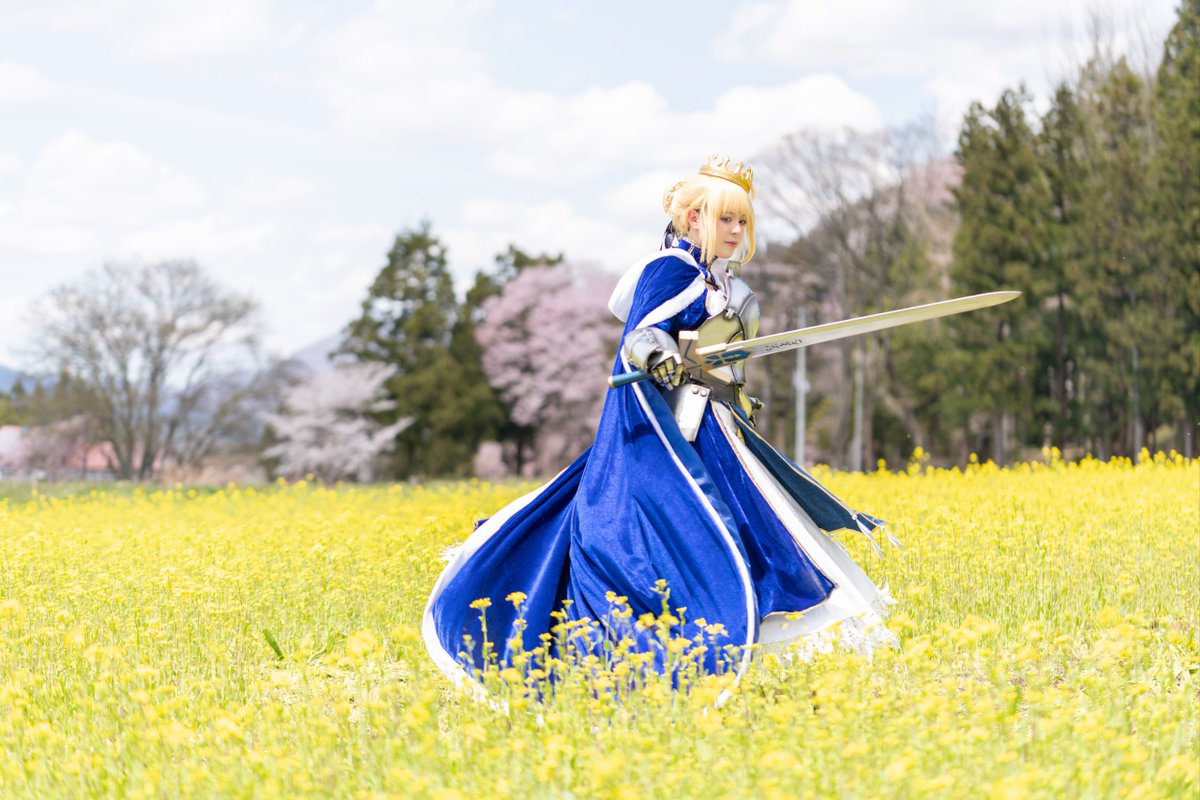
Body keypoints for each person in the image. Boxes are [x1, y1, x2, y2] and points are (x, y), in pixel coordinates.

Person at [424, 155, 895, 689]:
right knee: (671, 539)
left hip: (716, 426)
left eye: (743, 220)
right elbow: (641, 331)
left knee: (757, 532)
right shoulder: (670, 270)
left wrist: (734, 392)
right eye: (725, 219)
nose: (736, 231)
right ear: (693, 218)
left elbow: (726, 359)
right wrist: (657, 353)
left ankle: (735, 650)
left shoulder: (726, 285)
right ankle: (654, 655)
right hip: (670, 431)